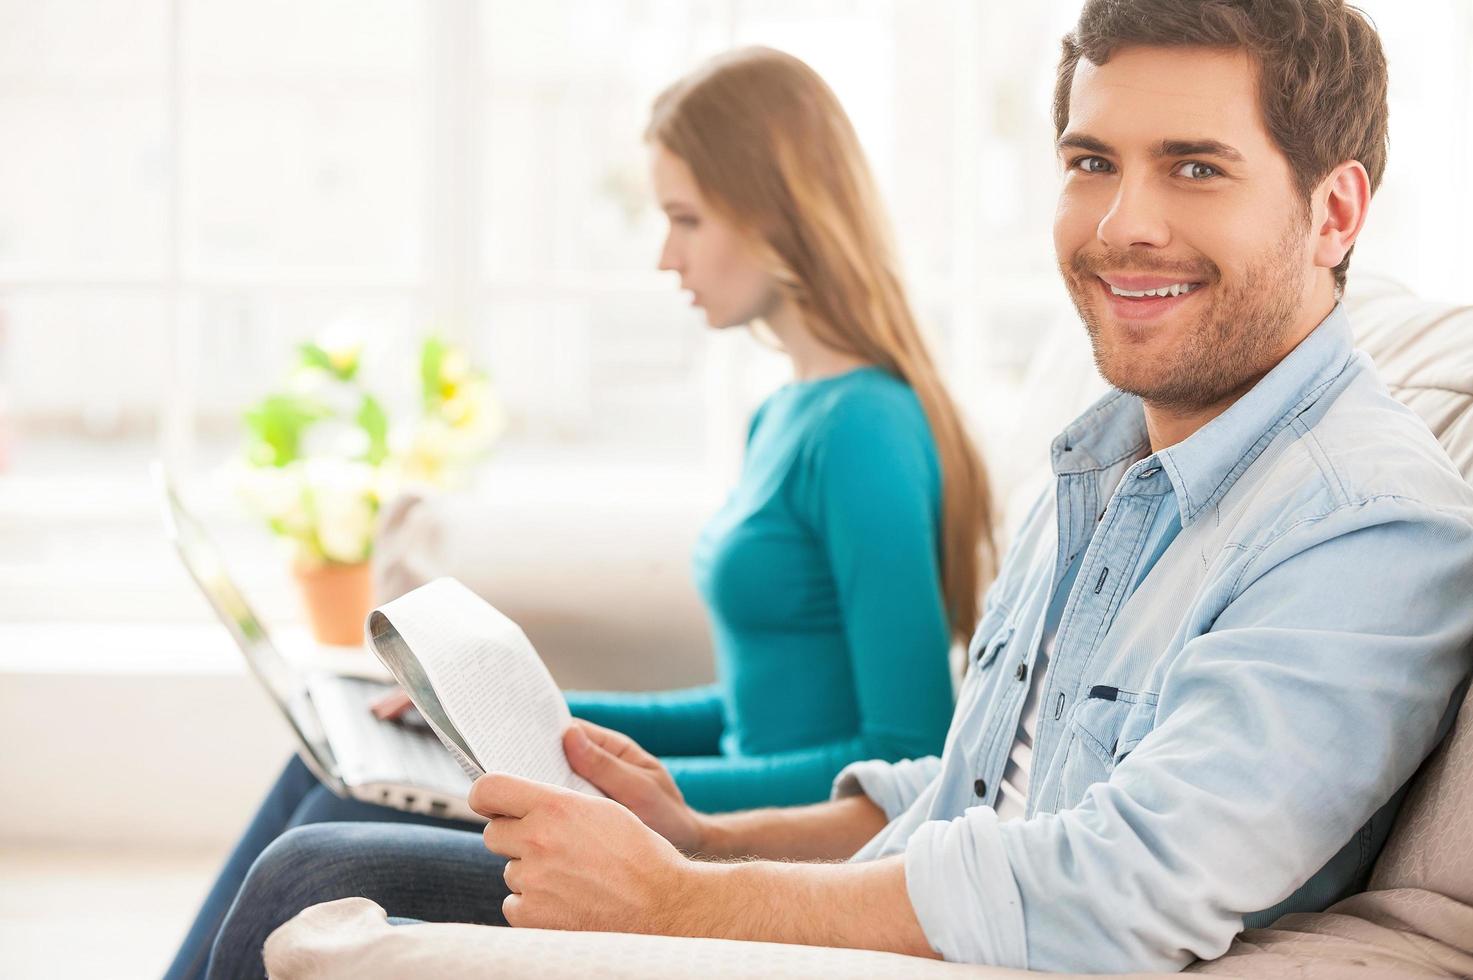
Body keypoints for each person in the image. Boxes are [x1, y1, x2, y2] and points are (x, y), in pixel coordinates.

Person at [206, 0, 1473, 975]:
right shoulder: (1111, 456)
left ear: (1335, 209)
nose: (1119, 223)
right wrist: (698, 832)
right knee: (322, 843)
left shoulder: (1367, 524)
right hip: (836, 909)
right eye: (1093, 161)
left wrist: (681, 896)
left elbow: (1119, 880)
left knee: (315, 870)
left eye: (1196, 167)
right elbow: (973, 782)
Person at [165, 46, 995, 980]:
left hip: (761, 855)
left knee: (330, 834)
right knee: (323, 777)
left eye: (685, 219)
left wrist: (656, 804)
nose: (665, 254)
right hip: (710, 811)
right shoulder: (787, 413)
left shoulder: (866, 429)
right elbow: (757, 706)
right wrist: (530, 722)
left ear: (776, 214)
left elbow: (905, 751)